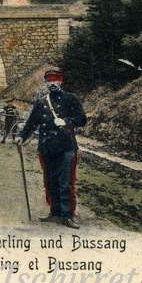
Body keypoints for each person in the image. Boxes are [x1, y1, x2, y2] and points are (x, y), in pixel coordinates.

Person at [16, 68, 87, 229]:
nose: (53, 83)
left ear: (61, 81)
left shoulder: (71, 98)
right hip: (47, 147)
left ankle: (67, 216)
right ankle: (55, 213)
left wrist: (66, 121)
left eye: (56, 80)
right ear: (46, 82)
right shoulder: (42, 102)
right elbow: (32, 122)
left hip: (66, 147)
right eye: (50, 80)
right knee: (50, 182)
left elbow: (82, 119)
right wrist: (23, 136)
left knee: (65, 183)